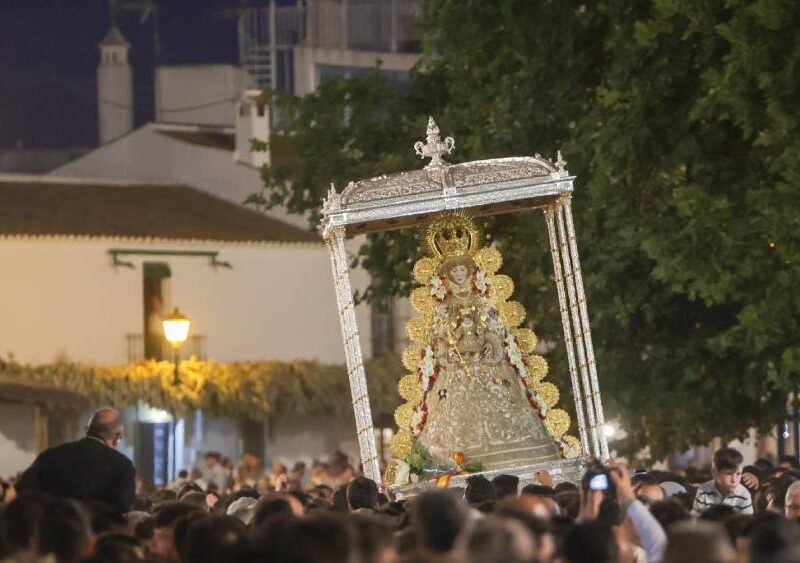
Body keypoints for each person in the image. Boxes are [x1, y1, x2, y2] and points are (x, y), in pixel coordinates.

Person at [16, 407, 136, 512]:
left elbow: (23, 489)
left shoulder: (51, 455)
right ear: (117, 437)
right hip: (98, 534)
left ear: (87, 429)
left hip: (51, 532)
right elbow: (123, 506)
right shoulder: (123, 466)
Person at [691, 447, 753, 516]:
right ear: (714, 472)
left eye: (738, 474)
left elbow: (747, 523)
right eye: (729, 474)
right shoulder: (703, 491)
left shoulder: (744, 494)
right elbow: (695, 520)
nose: (734, 480)